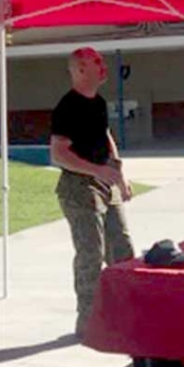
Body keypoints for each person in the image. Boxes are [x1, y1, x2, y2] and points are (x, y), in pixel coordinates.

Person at [50, 47, 135, 338]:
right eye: (96, 63)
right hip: (78, 187)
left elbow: (105, 135)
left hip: (104, 183)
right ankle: (88, 324)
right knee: (91, 254)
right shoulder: (67, 107)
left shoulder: (98, 101)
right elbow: (58, 154)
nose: (103, 67)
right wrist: (98, 171)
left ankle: (122, 316)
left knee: (122, 250)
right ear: (80, 70)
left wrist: (119, 174)